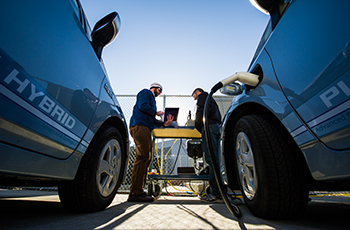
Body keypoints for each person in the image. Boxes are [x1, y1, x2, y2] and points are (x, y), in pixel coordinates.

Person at [128, 82, 174, 202]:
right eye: (159, 90)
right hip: (140, 126)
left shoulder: (152, 101)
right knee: (142, 156)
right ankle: (135, 192)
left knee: (146, 158)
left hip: (145, 127)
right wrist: (157, 112)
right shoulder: (145, 92)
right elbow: (143, 106)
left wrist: (164, 123)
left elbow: (152, 119)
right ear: (154, 88)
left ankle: (138, 191)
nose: (159, 93)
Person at [192, 87, 223, 203]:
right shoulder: (210, 98)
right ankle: (219, 191)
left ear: (196, 92)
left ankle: (216, 193)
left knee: (211, 160)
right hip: (215, 127)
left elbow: (201, 111)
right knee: (215, 159)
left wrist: (199, 126)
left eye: (193, 95)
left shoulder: (202, 96)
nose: (194, 98)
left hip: (208, 127)